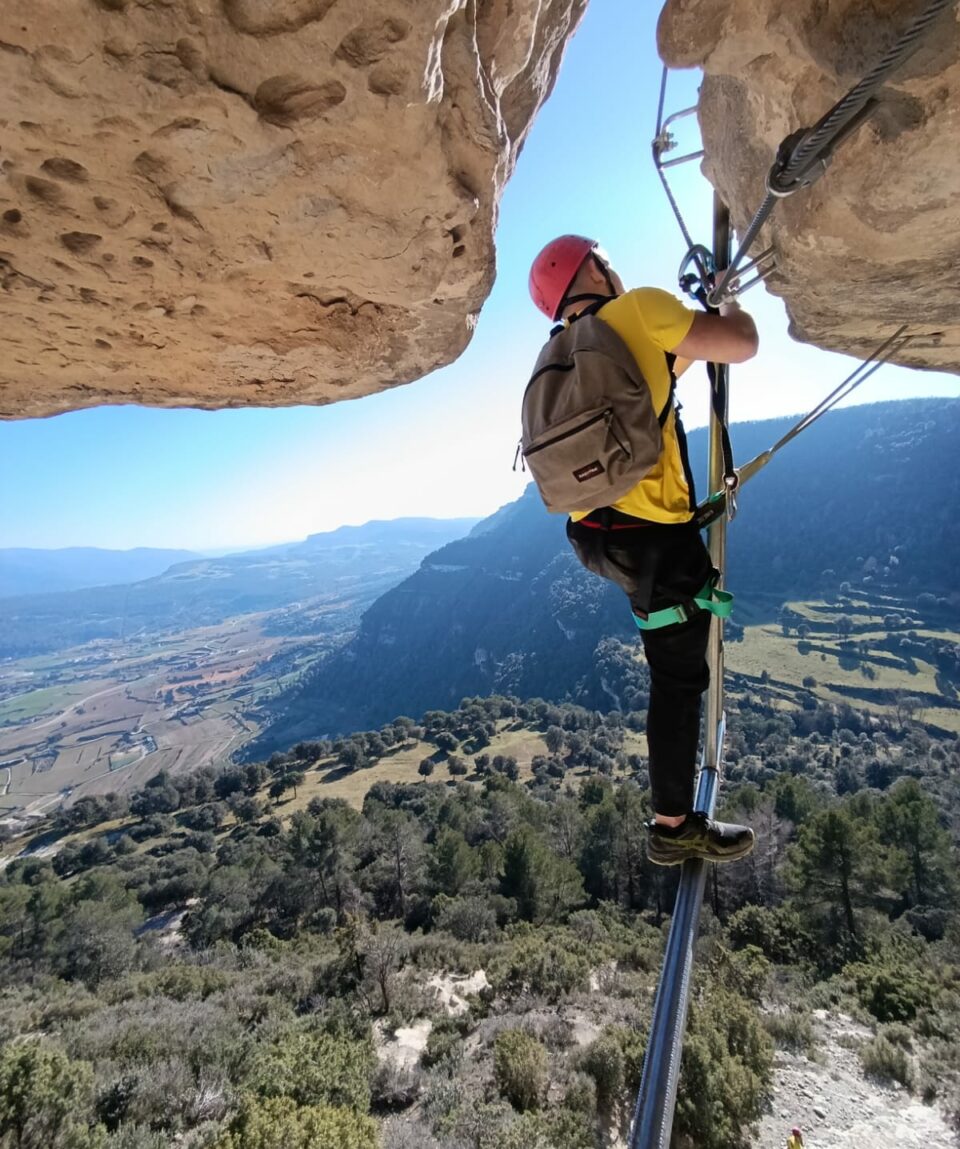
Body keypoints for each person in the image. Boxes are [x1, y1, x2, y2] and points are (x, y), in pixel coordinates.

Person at [527, 235, 760, 866]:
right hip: (655, 539)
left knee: (671, 662)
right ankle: (672, 827)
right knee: (679, 678)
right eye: (607, 261)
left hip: (595, 537)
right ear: (595, 268)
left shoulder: (557, 354)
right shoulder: (640, 312)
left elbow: (655, 382)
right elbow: (741, 344)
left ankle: (674, 816)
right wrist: (727, 305)